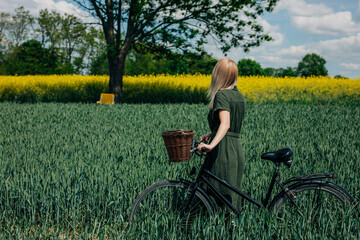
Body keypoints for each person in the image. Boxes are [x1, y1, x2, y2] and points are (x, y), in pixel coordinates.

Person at [197, 57, 245, 211]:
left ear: (218, 75)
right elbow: (227, 125)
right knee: (231, 196)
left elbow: (226, 124)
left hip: (222, 151)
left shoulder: (222, 95)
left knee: (216, 195)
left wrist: (211, 145)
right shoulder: (239, 95)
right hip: (235, 149)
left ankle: (215, 231)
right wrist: (211, 133)